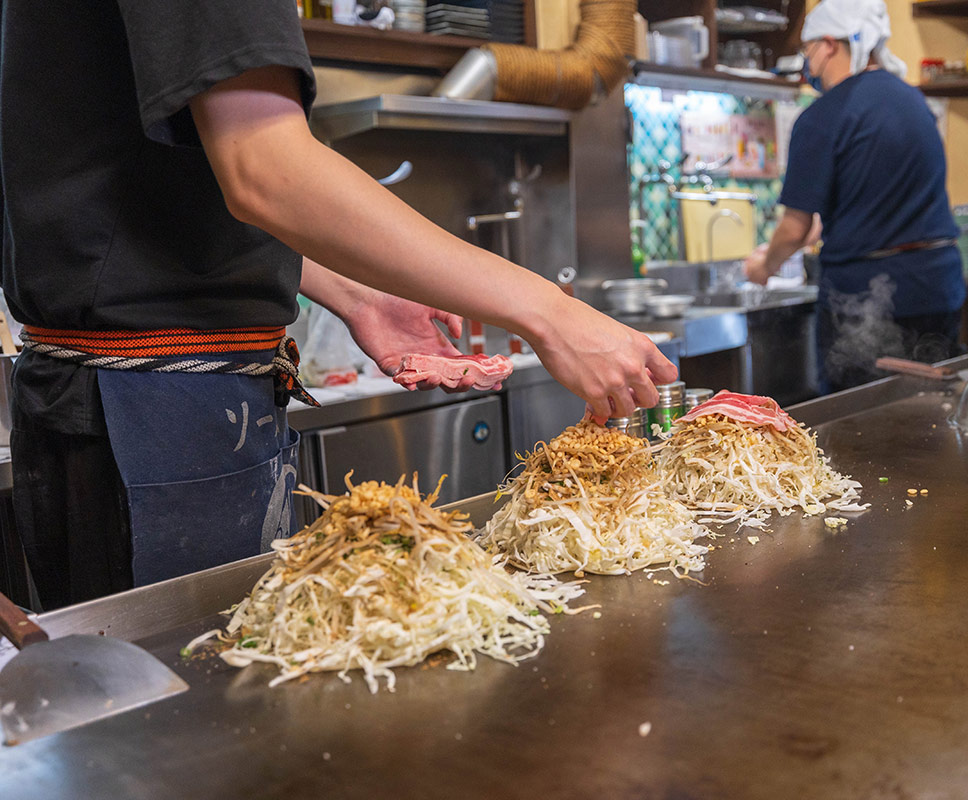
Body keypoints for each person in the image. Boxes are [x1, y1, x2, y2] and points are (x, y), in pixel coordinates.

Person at [0, 1, 675, 609]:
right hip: (145, 412)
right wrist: (548, 312)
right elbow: (265, 169)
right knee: (198, 727)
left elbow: (197, 173)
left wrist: (358, 294)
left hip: (165, 397)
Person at [745, 0, 966, 393]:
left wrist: (766, 265)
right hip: (938, 286)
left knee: (859, 423)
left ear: (829, 45)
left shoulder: (824, 115)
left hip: (867, 298)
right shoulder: (914, 101)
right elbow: (869, 205)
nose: (807, 65)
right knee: (933, 411)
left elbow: (795, 229)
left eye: (807, 51)